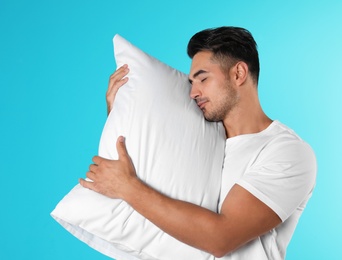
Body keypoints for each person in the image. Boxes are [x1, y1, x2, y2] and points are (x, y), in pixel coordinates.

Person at [79, 26, 317, 259]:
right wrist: (120, 111)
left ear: (238, 74)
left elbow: (221, 238)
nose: (193, 92)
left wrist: (128, 187)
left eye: (202, 79)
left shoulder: (287, 152)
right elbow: (150, 175)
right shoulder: (199, 135)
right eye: (191, 82)